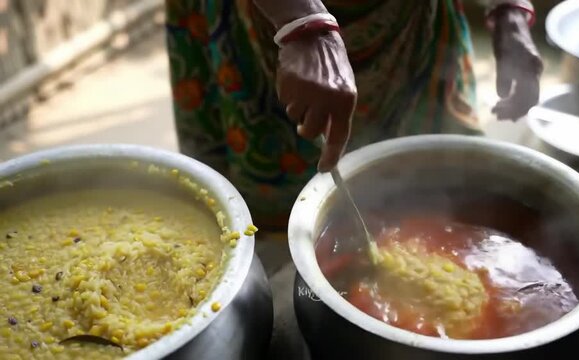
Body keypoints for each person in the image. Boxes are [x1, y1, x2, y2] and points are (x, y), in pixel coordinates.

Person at [165, 0, 543, 230]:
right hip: (267, 16)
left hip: (409, 22)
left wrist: (507, 9)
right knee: (276, 198)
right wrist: (301, 22)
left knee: (442, 183)